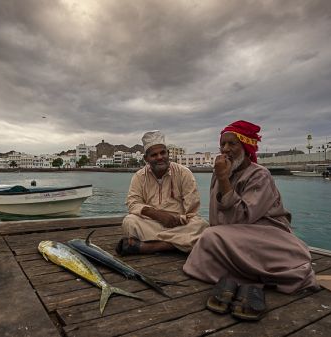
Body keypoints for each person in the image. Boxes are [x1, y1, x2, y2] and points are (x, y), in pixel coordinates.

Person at [183, 120, 318, 320]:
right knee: (203, 248)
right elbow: (216, 217)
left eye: (232, 144)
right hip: (234, 236)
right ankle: (248, 278)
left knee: (209, 238)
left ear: (246, 147)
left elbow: (243, 217)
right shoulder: (220, 173)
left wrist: (223, 179)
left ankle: (254, 281)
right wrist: (221, 177)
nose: (226, 149)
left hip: (268, 238)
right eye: (223, 145)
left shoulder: (260, 175)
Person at [116, 130, 208, 255]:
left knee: (201, 226)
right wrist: (157, 214)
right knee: (129, 222)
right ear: (146, 158)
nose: (159, 157)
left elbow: (192, 210)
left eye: (162, 153)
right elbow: (133, 203)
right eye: (154, 155)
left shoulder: (183, 173)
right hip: (152, 222)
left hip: (179, 224)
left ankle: (151, 247)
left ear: (168, 153)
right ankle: (179, 244)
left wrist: (176, 219)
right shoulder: (139, 176)